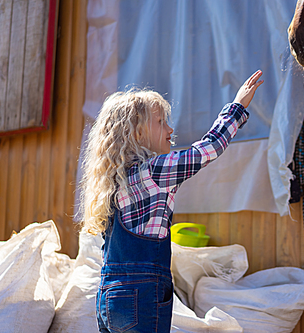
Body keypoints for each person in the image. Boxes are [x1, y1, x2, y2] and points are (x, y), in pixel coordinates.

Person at [78, 70, 263, 332]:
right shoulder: (153, 171)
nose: (170, 129)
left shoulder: (114, 180)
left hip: (109, 296)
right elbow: (206, 150)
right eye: (161, 122)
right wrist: (237, 107)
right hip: (141, 296)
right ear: (137, 132)